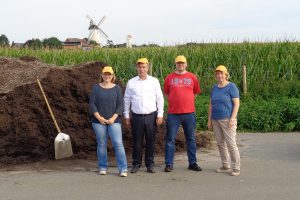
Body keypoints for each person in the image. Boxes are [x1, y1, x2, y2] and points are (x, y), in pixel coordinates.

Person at [124, 58, 164, 174]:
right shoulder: (131, 82)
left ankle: (150, 164)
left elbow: (159, 98)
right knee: (137, 141)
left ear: (147, 68)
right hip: (136, 116)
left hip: (151, 116)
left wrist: (160, 115)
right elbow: (127, 99)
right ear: (137, 68)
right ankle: (136, 164)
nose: (141, 69)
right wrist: (127, 115)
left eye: (144, 67)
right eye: (139, 67)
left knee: (151, 140)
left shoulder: (154, 81)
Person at [164, 55, 202, 172]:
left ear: (186, 64)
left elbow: (195, 92)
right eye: (178, 63)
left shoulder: (192, 77)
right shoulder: (169, 78)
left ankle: (192, 163)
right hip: (173, 114)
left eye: (182, 63)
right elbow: (166, 93)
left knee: (190, 139)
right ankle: (169, 164)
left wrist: (187, 102)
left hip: (189, 114)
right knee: (170, 139)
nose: (180, 65)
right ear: (175, 64)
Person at [89, 66, 128, 177]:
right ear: (102, 75)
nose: (107, 76)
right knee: (102, 144)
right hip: (98, 121)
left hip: (114, 121)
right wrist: (99, 117)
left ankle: (123, 169)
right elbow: (92, 104)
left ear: (112, 76)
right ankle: (102, 167)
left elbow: (120, 105)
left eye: (109, 74)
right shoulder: (96, 88)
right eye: (105, 74)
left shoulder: (117, 88)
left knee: (118, 143)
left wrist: (113, 118)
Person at [207, 65, 241, 176]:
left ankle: (236, 168)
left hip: (227, 120)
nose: (219, 75)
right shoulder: (214, 88)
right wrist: (209, 120)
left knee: (231, 144)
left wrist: (233, 118)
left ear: (226, 75)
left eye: (222, 73)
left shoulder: (232, 87)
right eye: (217, 74)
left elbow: (236, 104)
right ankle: (225, 165)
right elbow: (211, 104)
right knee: (220, 143)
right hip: (216, 119)